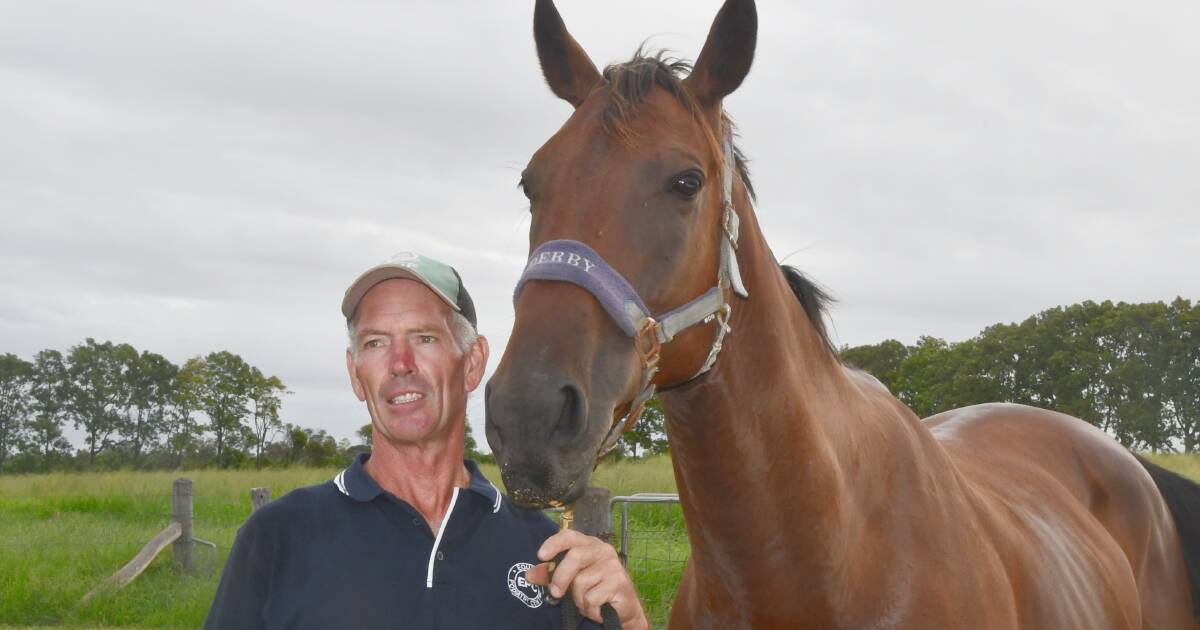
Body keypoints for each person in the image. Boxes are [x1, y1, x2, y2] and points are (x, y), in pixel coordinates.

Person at [204, 251, 648, 629]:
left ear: (472, 363)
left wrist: (630, 623)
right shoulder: (278, 536)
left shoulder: (544, 555)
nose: (400, 363)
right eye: (376, 343)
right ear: (356, 374)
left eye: (424, 338)